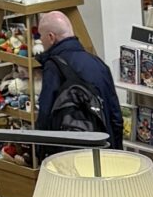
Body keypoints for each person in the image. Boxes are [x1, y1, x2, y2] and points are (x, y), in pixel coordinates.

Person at [33, 11, 123, 147]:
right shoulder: (98, 64)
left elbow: (46, 114)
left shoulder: (54, 67)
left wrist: (42, 152)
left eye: (41, 36)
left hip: (70, 151)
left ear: (51, 37)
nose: (40, 41)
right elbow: (115, 115)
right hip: (104, 145)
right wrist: (116, 148)